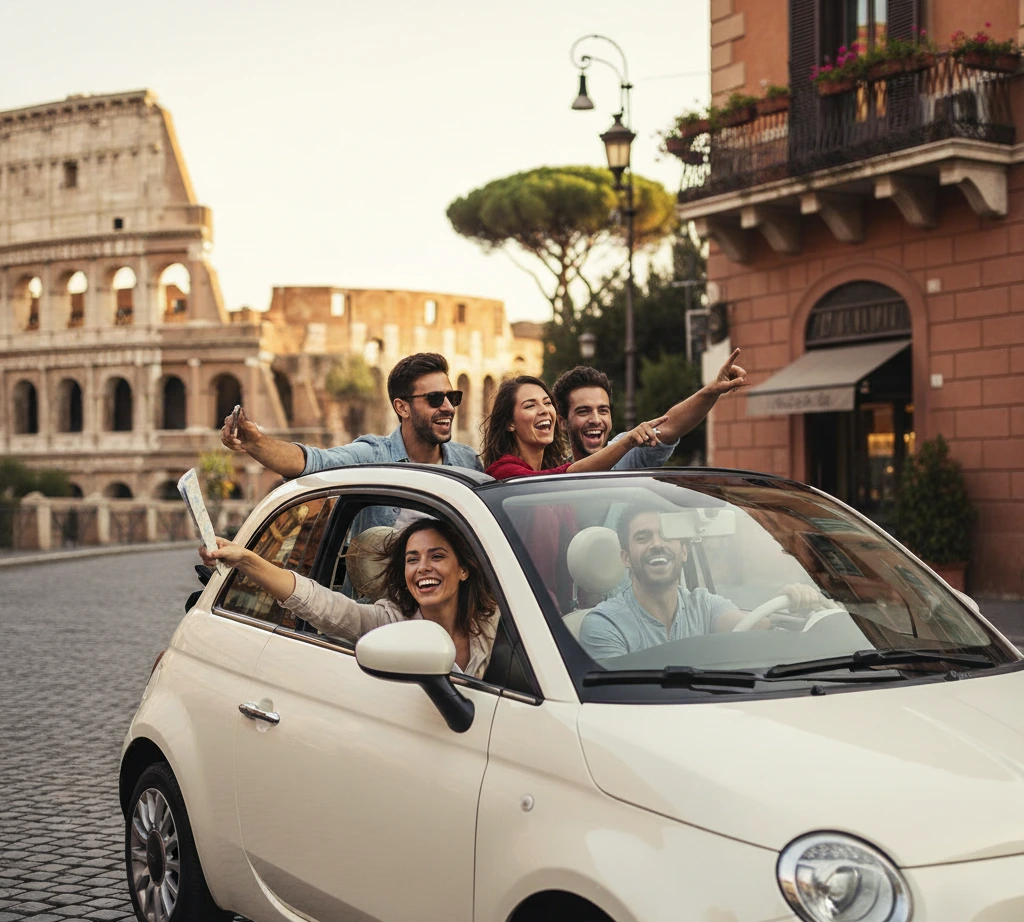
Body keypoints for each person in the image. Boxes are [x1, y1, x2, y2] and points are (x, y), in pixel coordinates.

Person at [200, 518, 498, 678]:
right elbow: (321, 604)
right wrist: (246, 560)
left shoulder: (495, 622)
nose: (423, 568)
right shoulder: (390, 623)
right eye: (412, 559)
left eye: (437, 556)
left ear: (463, 570)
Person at [579, 505, 824, 661]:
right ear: (625, 557)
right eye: (643, 537)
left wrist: (791, 600)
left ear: (684, 551)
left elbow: (751, 626)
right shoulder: (605, 624)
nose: (657, 544)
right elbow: (619, 706)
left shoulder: (703, 604)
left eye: (667, 535)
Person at [221, 352, 482, 477]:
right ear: (402, 407)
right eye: (435, 398)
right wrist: (255, 442)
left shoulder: (467, 461)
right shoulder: (372, 457)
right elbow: (312, 462)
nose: (448, 407)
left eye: (452, 397)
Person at [551, 347, 747, 468]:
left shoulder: (626, 451)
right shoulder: (552, 470)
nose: (596, 419)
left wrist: (711, 391)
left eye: (603, 410)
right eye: (584, 411)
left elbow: (670, 426)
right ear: (562, 422)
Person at [482, 375, 666, 479]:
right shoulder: (504, 471)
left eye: (547, 403)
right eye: (530, 406)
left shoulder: (554, 465)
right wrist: (628, 441)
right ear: (509, 423)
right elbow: (565, 476)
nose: (544, 411)